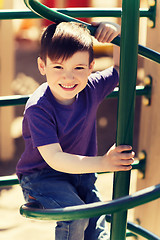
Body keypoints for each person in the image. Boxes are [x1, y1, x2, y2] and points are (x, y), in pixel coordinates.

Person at [16, 21, 135, 240]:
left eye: (78, 68)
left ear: (91, 66)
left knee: (97, 229)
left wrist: (116, 32)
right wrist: (103, 162)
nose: (69, 78)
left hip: (82, 176)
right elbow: (55, 158)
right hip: (43, 177)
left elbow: (121, 67)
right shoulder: (38, 108)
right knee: (76, 215)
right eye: (58, 67)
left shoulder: (91, 88)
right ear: (42, 66)